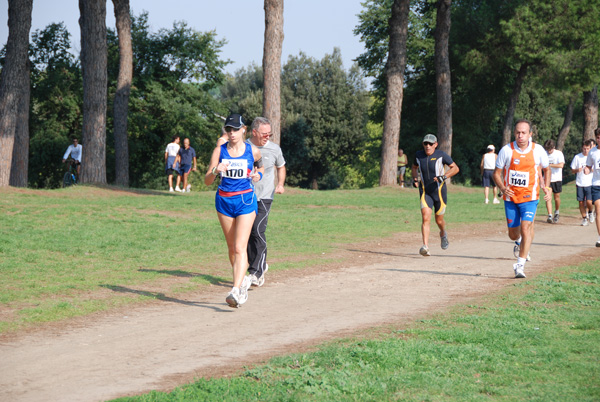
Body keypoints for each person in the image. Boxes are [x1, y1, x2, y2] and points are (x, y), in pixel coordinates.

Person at [204, 113, 264, 308]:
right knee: (232, 249)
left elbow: (261, 167)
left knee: (240, 247)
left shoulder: (252, 151)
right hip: (224, 202)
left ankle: (236, 290)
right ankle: (242, 282)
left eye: (235, 129)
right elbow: (207, 181)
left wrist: (258, 175)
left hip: (246, 201)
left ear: (243, 130)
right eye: (228, 130)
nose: (231, 133)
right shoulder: (219, 151)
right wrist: (215, 170)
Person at [493, 119, 551, 278]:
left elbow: (547, 169)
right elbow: (496, 174)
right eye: (518, 132)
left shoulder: (538, 150)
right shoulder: (507, 150)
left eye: (524, 133)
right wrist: (503, 188)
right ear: (514, 133)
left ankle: (520, 265)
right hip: (510, 198)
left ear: (530, 134)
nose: (520, 135)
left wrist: (547, 187)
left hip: (530, 197)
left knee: (526, 227)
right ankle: (519, 242)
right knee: (513, 234)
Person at [245, 117, 286, 287]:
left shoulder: (274, 149)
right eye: (264, 134)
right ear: (254, 132)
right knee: (245, 235)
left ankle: (257, 272)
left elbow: (281, 166)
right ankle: (258, 265)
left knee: (257, 230)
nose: (267, 137)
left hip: (265, 196)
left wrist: (281, 184)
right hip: (245, 196)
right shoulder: (244, 147)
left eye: (269, 134)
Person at [411, 134, 460, 257]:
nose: (427, 146)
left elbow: (455, 168)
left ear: (435, 144)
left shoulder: (441, 155)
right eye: (425, 144)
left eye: (430, 144)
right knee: (425, 217)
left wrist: (444, 177)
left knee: (439, 220)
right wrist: (415, 179)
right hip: (425, 192)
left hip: (439, 193)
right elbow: (414, 167)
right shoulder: (418, 155)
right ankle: (425, 246)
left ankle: (443, 233)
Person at [570, 140, 594, 226]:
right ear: (582, 148)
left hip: (590, 183)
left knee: (589, 201)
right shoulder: (577, 157)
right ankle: (584, 218)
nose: (586, 150)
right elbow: (572, 170)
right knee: (580, 202)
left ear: (590, 148)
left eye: (587, 148)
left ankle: (590, 212)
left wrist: (591, 170)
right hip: (580, 183)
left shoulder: (592, 157)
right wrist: (577, 170)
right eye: (584, 148)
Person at [584, 132, 600, 247]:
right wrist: (587, 170)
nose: (599, 139)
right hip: (596, 184)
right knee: (598, 211)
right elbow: (589, 166)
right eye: (598, 137)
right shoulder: (593, 152)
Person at [543, 139, 565, 223]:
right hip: (547, 179)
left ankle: (557, 211)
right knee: (548, 197)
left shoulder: (559, 153)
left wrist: (550, 165)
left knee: (556, 198)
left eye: (550, 149)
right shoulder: (544, 154)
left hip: (557, 179)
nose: (549, 151)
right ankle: (549, 215)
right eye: (547, 149)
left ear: (554, 147)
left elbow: (561, 165)